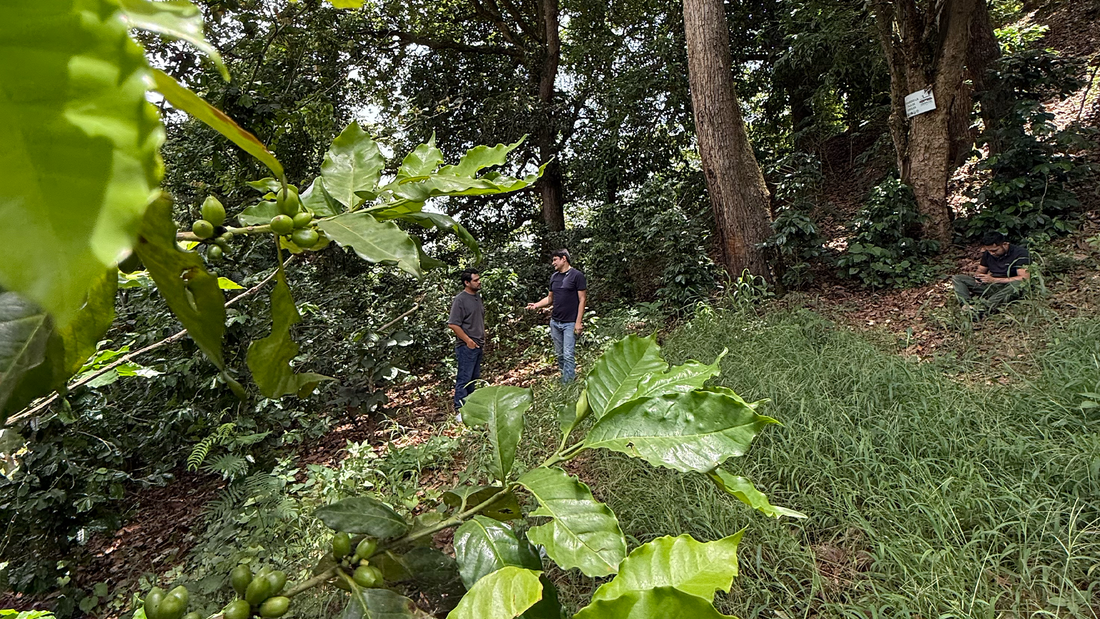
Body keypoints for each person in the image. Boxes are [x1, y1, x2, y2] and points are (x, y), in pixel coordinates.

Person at [527, 249, 587, 383]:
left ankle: (569, 385)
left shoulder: (577, 276)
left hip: (570, 322)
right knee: (560, 355)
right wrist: (536, 305)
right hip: (555, 322)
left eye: (555, 260)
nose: (553, 263)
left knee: (568, 355)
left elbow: (582, 299)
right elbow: (550, 299)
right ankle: (564, 379)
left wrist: (578, 322)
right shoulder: (554, 277)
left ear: (564, 259)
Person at [951, 231, 1031, 316]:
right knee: (958, 278)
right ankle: (966, 305)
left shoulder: (1020, 253)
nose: (992, 253)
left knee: (1018, 284)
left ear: (1004, 244)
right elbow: (981, 270)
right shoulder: (988, 254)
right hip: (991, 285)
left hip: (1008, 286)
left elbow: (1024, 278)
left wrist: (994, 280)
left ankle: (984, 307)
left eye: (995, 250)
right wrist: (979, 277)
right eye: (989, 251)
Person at [448, 269, 485, 410]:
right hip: (466, 346)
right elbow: (453, 324)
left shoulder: (477, 297)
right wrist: (468, 341)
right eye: (475, 280)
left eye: (478, 279)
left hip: (478, 344)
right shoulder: (460, 299)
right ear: (466, 282)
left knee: (473, 379)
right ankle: (460, 409)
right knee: (464, 379)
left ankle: (471, 409)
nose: (478, 282)